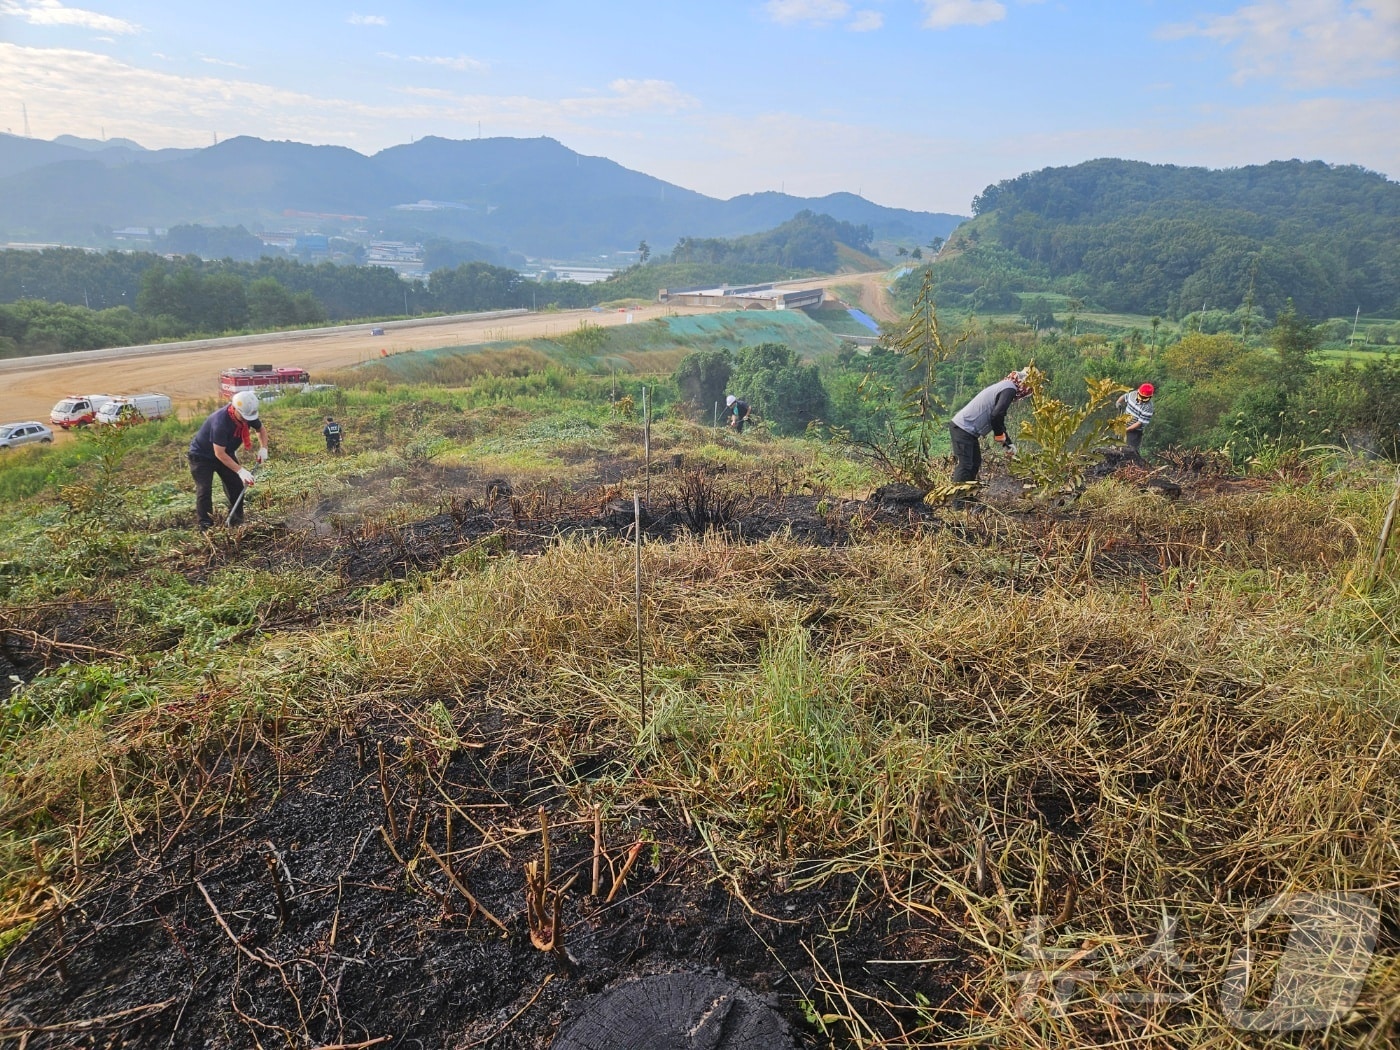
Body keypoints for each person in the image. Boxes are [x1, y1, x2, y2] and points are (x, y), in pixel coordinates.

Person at [188, 390, 269, 531]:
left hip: (225, 452)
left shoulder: (247, 415)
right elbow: (219, 453)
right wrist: (240, 470)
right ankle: (206, 527)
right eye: (244, 418)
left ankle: (237, 521)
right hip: (202, 457)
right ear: (235, 409)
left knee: (236, 486)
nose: (247, 421)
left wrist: (264, 448)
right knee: (204, 490)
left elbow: (260, 429)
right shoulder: (221, 422)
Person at [948, 369, 1032, 496]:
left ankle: (967, 499)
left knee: (974, 463)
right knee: (965, 465)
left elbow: (998, 418)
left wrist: (1007, 443)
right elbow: (996, 415)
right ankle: (957, 503)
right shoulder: (1010, 389)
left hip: (967, 430)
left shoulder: (1006, 386)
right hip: (963, 428)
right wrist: (1001, 437)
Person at [1117, 383, 1154, 454]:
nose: (1141, 400)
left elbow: (1139, 423)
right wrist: (1118, 402)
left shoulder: (1148, 408)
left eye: (1144, 399)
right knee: (1116, 445)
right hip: (1123, 424)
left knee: (1130, 451)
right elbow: (1124, 396)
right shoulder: (1132, 394)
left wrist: (1126, 430)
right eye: (1141, 397)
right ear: (1138, 392)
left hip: (1134, 432)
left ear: (1150, 397)